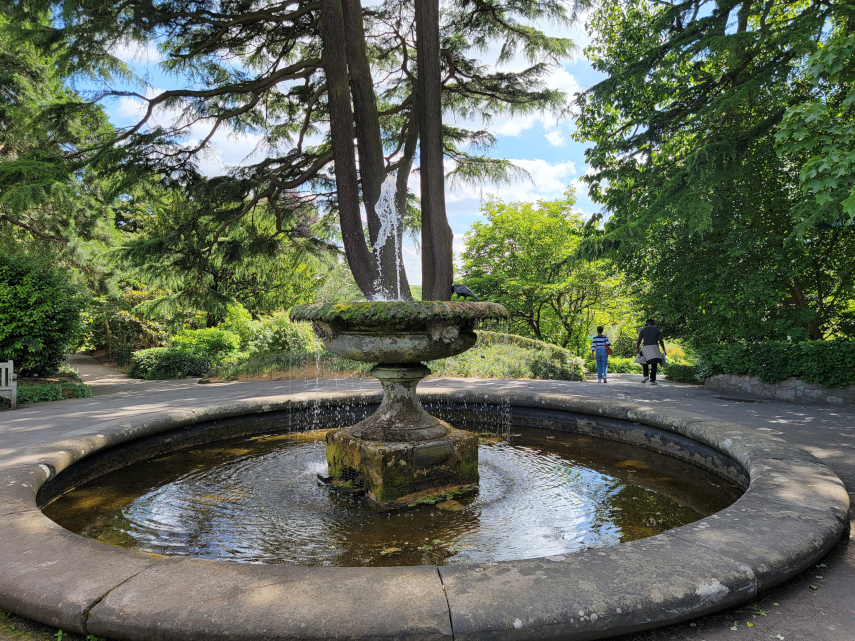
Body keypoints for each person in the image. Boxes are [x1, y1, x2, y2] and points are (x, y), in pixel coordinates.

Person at [636, 319, 666, 385]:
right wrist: (664, 349)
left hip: (646, 348)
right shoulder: (657, 331)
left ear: (646, 323)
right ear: (653, 323)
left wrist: (637, 348)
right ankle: (653, 380)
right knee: (654, 364)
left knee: (644, 362)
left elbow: (639, 340)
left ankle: (646, 375)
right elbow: (661, 341)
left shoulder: (643, 330)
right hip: (654, 347)